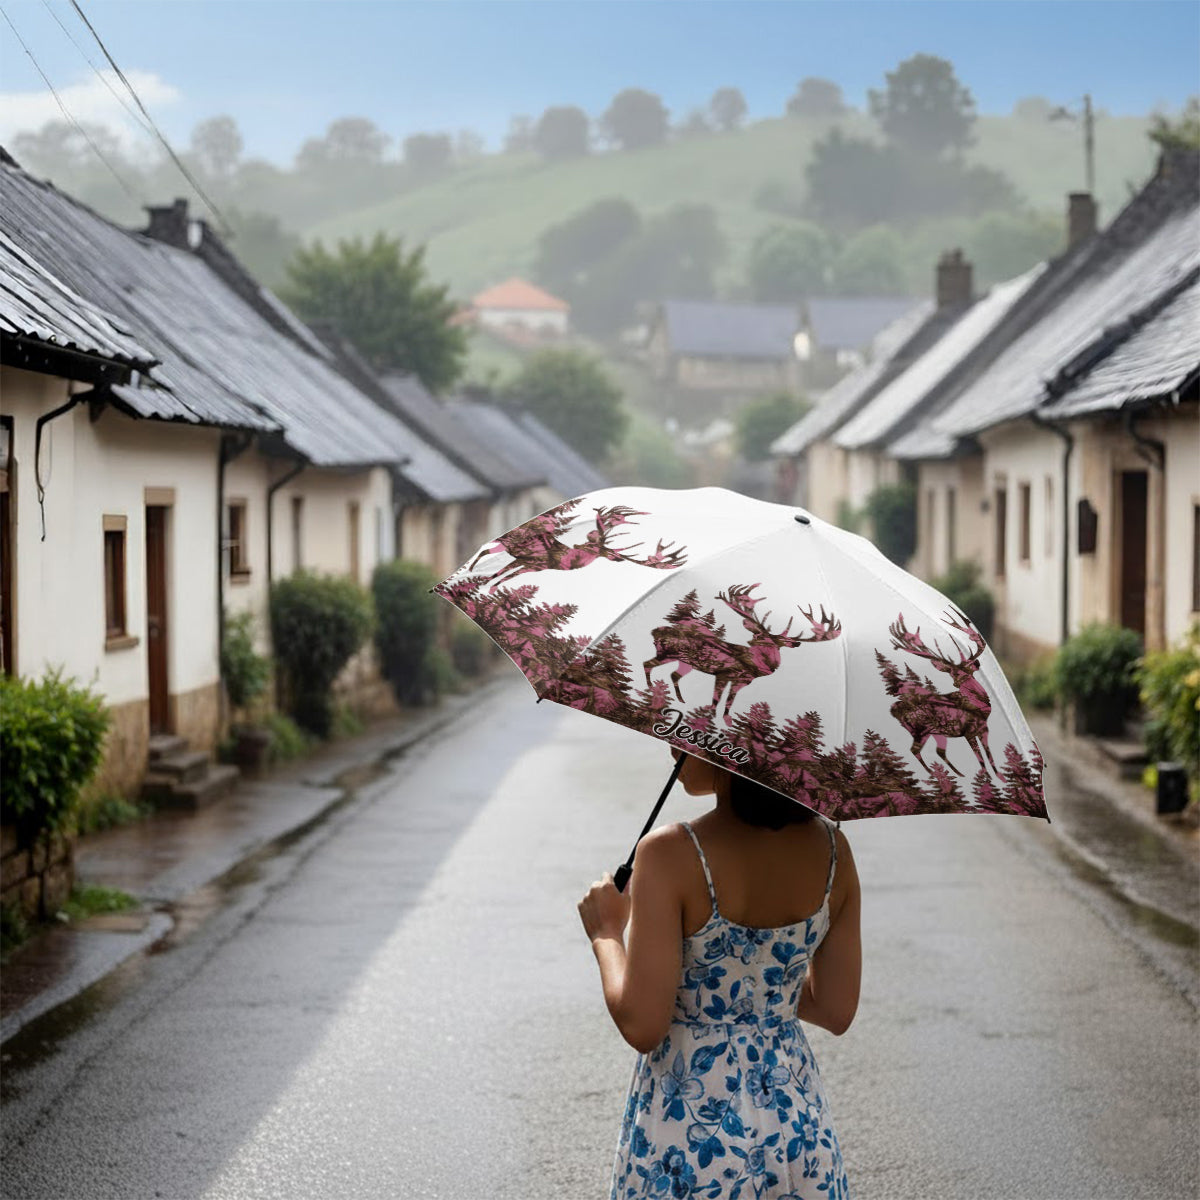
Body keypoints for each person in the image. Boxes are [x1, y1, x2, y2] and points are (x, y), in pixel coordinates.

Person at [579, 750, 861, 1200]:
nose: (675, 747)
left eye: (690, 737)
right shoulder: (833, 851)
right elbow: (834, 1009)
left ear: (732, 751)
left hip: (693, 1128)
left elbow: (642, 1024)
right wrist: (763, 980)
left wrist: (606, 934)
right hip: (796, 1126)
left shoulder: (669, 854)